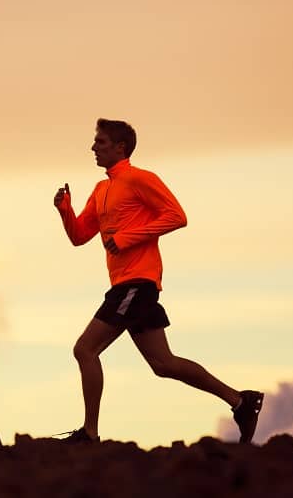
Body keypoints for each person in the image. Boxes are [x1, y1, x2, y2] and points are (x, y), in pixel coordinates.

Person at [53, 118, 263, 444]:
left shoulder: (140, 179)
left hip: (137, 283)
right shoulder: (102, 189)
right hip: (126, 284)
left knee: (85, 349)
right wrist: (65, 210)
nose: (94, 147)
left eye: (101, 142)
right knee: (163, 364)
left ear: (121, 147)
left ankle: (89, 434)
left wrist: (126, 237)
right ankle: (241, 401)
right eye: (95, 142)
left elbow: (177, 216)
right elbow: (80, 236)